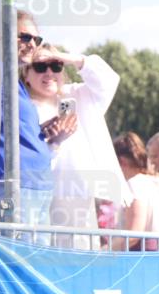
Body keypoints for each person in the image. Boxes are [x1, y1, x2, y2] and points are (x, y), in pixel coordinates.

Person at [19, 45, 131, 249]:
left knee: (81, 257)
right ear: (26, 74)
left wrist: (64, 56)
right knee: (44, 256)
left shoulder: (77, 96)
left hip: (80, 196)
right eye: (40, 66)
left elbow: (108, 79)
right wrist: (54, 142)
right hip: (40, 195)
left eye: (55, 65)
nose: (49, 72)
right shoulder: (22, 106)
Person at [0, 11, 60, 243]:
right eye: (24, 37)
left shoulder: (15, 80)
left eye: (37, 39)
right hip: (17, 187)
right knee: (19, 266)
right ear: (1, 35)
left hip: (37, 187)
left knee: (34, 264)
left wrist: (47, 132)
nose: (32, 44)